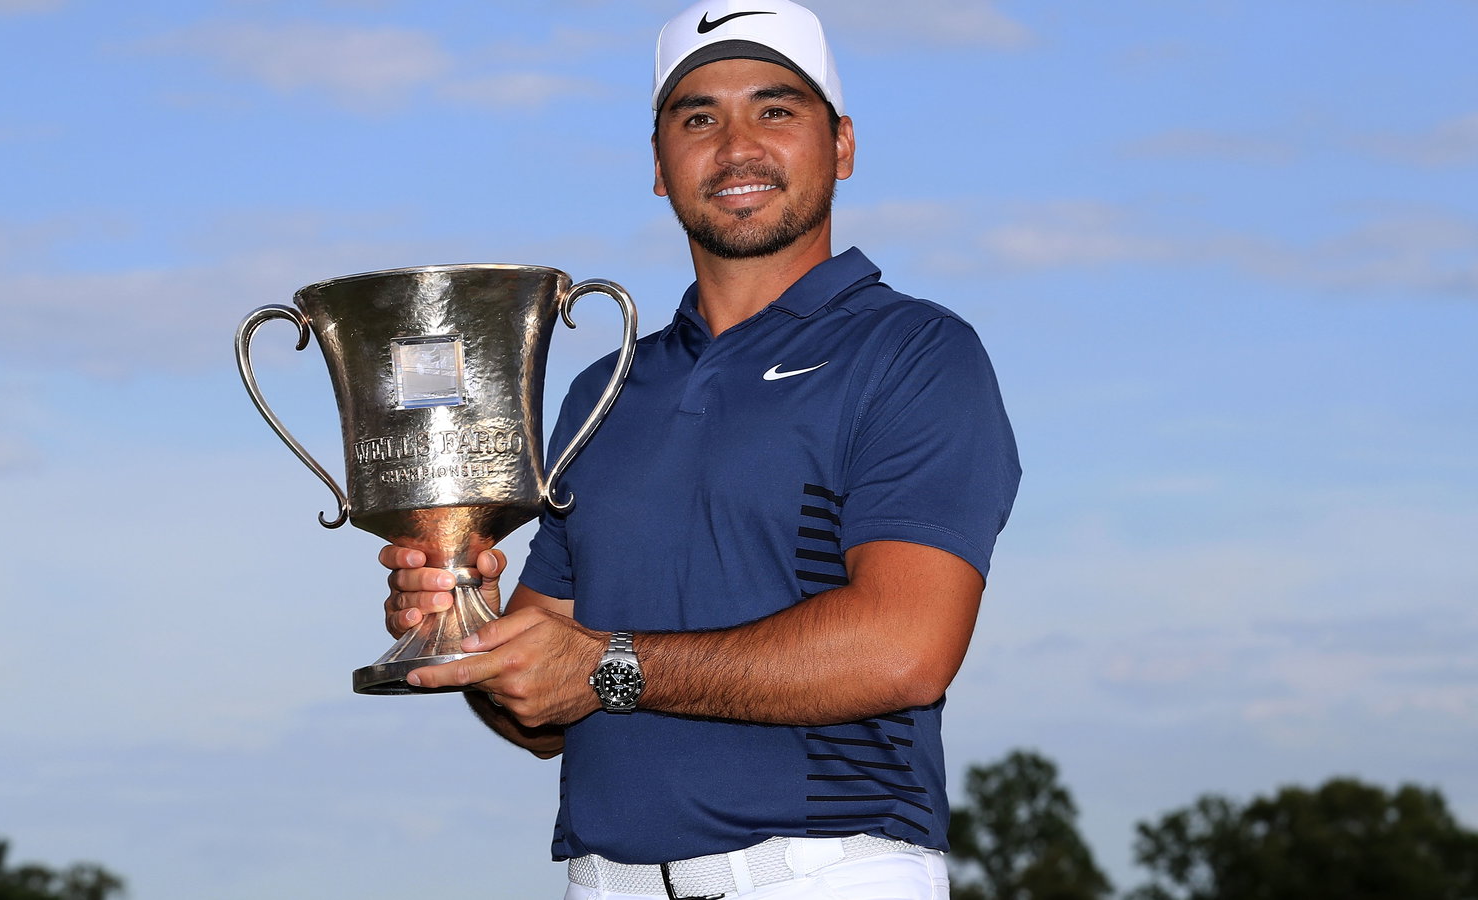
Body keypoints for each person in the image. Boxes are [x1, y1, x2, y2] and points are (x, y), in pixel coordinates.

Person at [382, 1, 1020, 897]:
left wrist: (606, 668)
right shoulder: (605, 390)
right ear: (658, 165)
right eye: (698, 118)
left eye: (775, 109)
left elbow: (904, 646)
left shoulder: (914, 351)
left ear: (841, 145)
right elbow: (544, 718)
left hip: (823, 872)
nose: (736, 147)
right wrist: (468, 620)